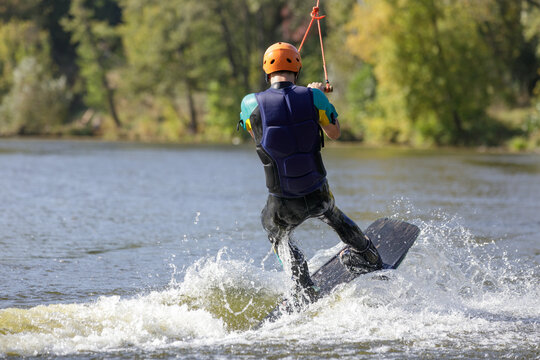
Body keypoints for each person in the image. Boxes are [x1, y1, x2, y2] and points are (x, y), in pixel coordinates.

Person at [238, 42, 382, 306]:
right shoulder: (314, 97)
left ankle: (302, 284)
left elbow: (256, 134)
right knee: (333, 215)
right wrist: (317, 96)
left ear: (267, 71)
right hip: (317, 191)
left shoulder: (250, 103)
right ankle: (368, 254)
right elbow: (335, 133)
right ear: (298, 67)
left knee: (276, 232)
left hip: (282, 201)